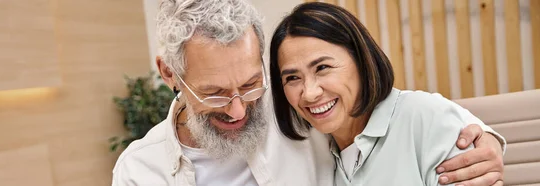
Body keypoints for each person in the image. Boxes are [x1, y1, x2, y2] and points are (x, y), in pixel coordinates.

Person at [111, 0, 505, 185]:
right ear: (169, 73)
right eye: (213, 93)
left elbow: (388, 112)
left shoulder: (297, 108)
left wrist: (481, 134)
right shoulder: (138, 171)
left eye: (250, 85)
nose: (237, 110)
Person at [268, 2, 505, 186]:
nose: (309, 93)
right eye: (292, 78)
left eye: (322, 68)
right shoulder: (322, 150)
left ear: (361, 61)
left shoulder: (425, 118)